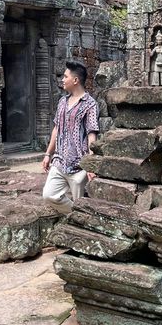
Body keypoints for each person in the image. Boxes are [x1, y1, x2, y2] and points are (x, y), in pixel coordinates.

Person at [41, 61, 99, 214]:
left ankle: (79, 221)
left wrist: (91, 164)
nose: (62, 80)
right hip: (59, 161)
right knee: (49, 195)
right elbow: (56, 129)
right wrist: (48, 154)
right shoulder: (62, 102)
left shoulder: (90, 104)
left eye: (65, 77)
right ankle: (75, 215)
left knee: (81, 201)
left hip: (79, 165)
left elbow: (92, 134)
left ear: (75, 80)